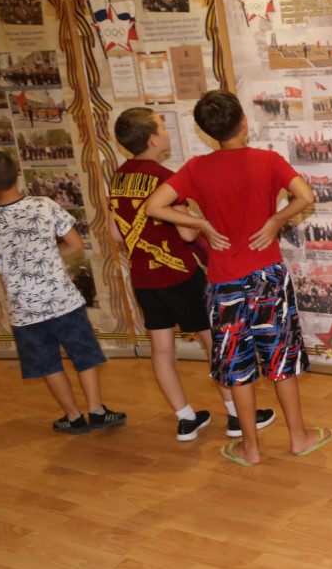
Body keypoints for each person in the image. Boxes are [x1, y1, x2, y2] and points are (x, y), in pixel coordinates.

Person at [145, 89, 332, 466]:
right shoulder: (268, 160)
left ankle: (250, 448)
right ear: (243, 123)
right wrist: (275, 220)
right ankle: (298, 437)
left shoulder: (196, 168)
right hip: (268, 277)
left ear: (207, 131)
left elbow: (154, 206)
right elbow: (306, 196)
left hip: (223, 283)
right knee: (280, 360)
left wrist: (201, 223)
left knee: (237, 367)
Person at [108, 107, 275, 441]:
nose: (167, 132)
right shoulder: (164, 178)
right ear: (153, 140)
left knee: (161, 351)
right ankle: (236, 416)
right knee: (215, 344)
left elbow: (115, 234)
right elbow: (186, 235)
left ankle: (185, 418)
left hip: (143, 277)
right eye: (162, 128)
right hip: (179, 275)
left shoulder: (119, 177)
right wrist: (199, 221)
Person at [0, 150, 126, 434]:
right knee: (84, 355)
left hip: (25, 312)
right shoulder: (44, 204)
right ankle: (97, 412)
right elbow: (75, 245)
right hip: (64, 301)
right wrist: (48, 256)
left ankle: (73, 418)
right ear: (17, 175)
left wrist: (3, 266)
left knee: (49, 364)